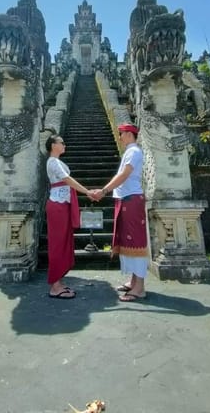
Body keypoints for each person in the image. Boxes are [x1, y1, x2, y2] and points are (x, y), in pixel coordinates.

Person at [92, 123, 148, 301]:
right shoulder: (130, 152)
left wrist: (104, 190)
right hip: (126, 199)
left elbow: (124, 174)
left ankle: (139, 288)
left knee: (136, 242)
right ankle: (133, 281)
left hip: (131, 199)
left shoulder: (133, 152)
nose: (119, 137)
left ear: (130, 134)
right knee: (128, 242)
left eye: (121, 133)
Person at [45, 134, 94, 299]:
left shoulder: (57, 161)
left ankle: (58, 282)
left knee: (64, 242)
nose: (64, 145)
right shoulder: (52, 161)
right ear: (53, 145)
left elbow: (67, 180)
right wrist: (87, 191)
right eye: (62, 142)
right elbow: (67, 179)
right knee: (58, 243)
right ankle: (55, 286)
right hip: (57, 205)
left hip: (63, 204)